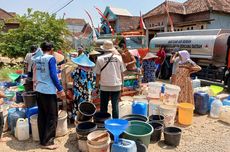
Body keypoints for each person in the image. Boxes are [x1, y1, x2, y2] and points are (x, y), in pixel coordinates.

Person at [34, 42, 65, 150]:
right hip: (48, 91)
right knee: (52, 116)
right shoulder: (51, 58)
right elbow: (53, 75)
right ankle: (48, 142)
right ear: (51, 49)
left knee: (42, 115)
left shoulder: (37, 58)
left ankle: (43, 139)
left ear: (42, 49)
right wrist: (60, 89)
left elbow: (38, 73)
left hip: (39, 89)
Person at [95, 40, 126, 118]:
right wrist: (122, 86)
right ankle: (115, 124)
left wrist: (96, 85)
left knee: (103, 106)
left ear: (104, 49)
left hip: (104, 86)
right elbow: (122, 73)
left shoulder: (100, 59)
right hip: (116, 85)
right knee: (115, 105)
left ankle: (103, 122)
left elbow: (98, 74)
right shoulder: (119, 58)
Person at [70, 53, 95, 120]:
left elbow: (72, 76)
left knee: (77, 104)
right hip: (87, 90)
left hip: (78, 91)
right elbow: (93, 80)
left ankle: (76, 118)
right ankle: (86, 118)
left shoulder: (77, 70)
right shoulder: (90, 71)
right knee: (87, 104)